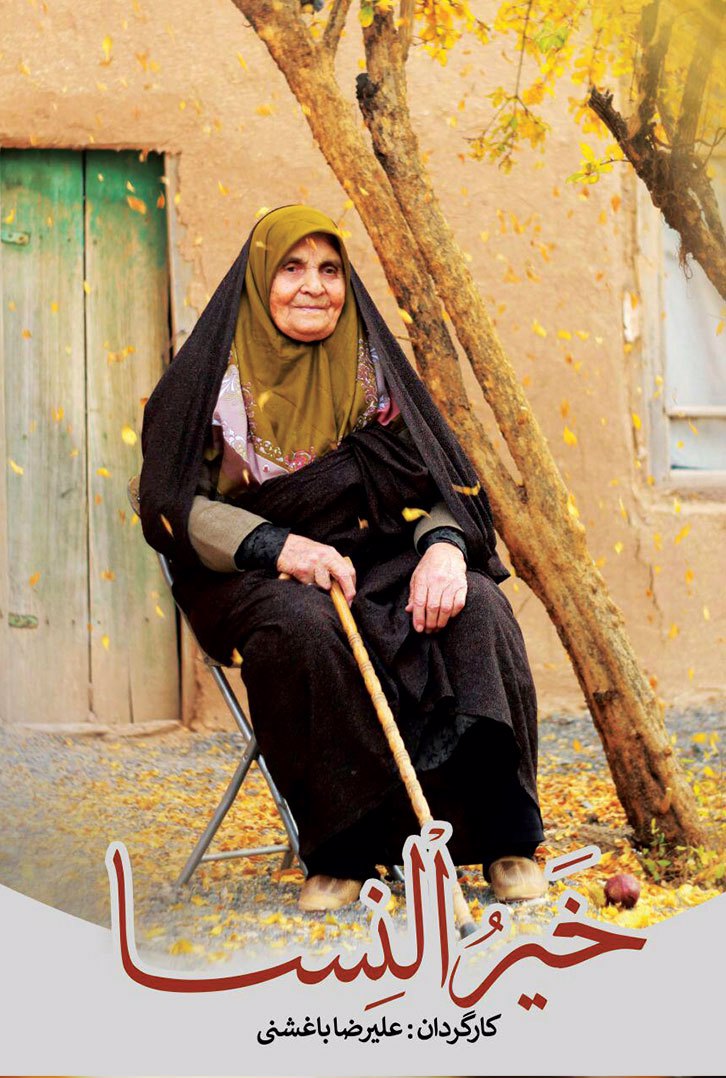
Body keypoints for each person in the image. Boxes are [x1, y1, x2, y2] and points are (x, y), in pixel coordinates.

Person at [139, 205, 546, 911]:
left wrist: (444, 549)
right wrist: (278, 546)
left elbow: (440, 483)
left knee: (477, 604)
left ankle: (504, 836)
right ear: (259, 278)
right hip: (254, 573)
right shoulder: (207, 381)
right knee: (304, 627)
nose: (314, 285)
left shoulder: (377, 372)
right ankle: (343, 851)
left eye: (330, 269)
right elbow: (173, 504)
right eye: (292, 267)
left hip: (382, 554)